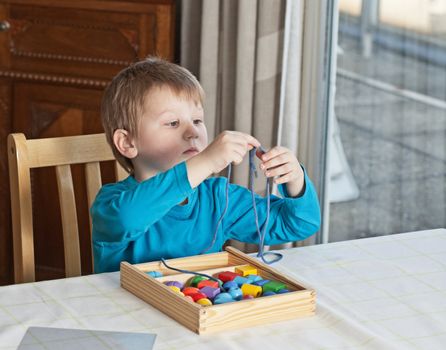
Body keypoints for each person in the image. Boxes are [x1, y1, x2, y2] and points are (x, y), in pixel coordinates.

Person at [91, 57, 321, 273]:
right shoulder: (110, 203)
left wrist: (295, 179)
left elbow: (299, 225)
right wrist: (206, 161)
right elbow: (129, 218)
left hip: (199, 313)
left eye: (197, 120)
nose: (192, 132)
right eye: (172, 123)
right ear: (128, 142)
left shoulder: (219, 198)